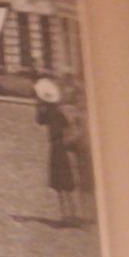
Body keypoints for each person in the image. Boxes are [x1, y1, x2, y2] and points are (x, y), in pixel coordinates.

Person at [36, 92, 80, 226]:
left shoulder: (53, 113)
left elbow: (40, 120)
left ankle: (67, 216)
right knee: (63, 183)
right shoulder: (56, 112)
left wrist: (39, 107)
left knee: (61, 183)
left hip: (58, 148)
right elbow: (40, 120)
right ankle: (69, 215)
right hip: (59, 147)